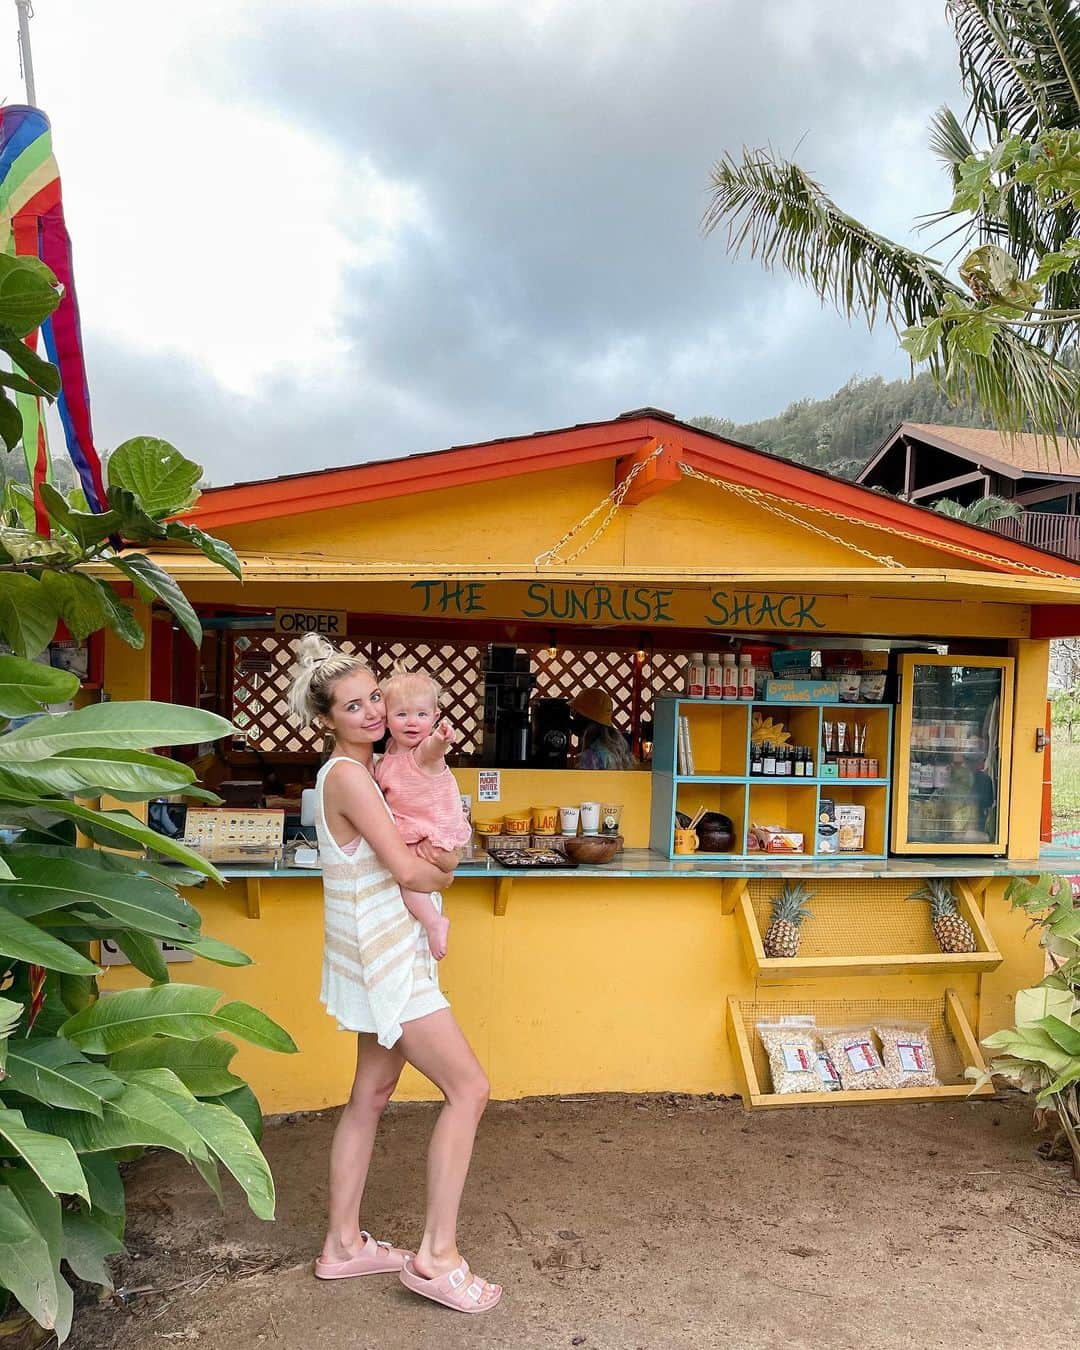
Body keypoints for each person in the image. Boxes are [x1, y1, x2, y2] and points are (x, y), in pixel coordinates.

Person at [288, 635, 501, 1314]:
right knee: (469, 1089)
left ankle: (344, 1246)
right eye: (353, 705)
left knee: (370, 1098)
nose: (373, 711)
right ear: (328, 719)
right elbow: (411, 870)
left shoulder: (358, 771)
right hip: (387, 962)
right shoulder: (350, 777)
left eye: (375, 695)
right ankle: (436, 1257)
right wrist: (450, 863)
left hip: (369, 953)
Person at [374, 663, 472, 961]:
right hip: (413, 832)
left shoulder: (423, 754)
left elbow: (432, 749)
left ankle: (433, 922)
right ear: (387, 719)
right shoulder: (391, 750)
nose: (412, 722)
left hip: (430, 832)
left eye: (422, 714)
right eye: (402, 714)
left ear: (435, 717)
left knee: (409, 885)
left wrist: (441, 740)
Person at [570, 688, 637, 770]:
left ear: (584, 718)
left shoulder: (590, 757)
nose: (573, 720)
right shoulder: (618, 749)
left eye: (575, 714)